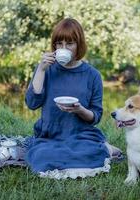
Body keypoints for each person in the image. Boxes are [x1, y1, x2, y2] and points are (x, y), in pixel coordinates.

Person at [25, 18, 122, 179]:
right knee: (41, 157)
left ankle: (103, 147)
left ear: (79, 45)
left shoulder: (93, 75)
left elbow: (95, 117)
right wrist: (41, 70)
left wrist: (80, 110)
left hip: (81, 134)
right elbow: (32, 104)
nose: (63, 48)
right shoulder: (46, 69)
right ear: (54, 45)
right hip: (50, 135)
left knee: (92, 153)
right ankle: (104, 148)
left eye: (69, 44)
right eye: (59, 43)